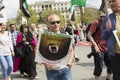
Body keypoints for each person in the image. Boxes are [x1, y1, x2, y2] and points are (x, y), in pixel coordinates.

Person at [43, 14, 74, 80]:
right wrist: (46, 64)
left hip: (65, 70)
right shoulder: (44, 37)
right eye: (53, 23)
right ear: (48, 24)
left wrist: (69, 63)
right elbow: (40, 54)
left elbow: (71, 50)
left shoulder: (65, 34)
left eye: (58, 22)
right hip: (51, 72)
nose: (56, 24)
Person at [87, 14, 112, 80]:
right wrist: (95, 46)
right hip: (98, 48)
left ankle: (108, 78)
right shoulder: (96, 22)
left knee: (111, 65)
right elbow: (89, 35)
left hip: (108, 48)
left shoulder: (111, 22)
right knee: (99, 67)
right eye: (103, 17)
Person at [101, 0, 120, 80]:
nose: (111, 4)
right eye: (110, 2)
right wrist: (107, 30)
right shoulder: (107, 18)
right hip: (115, 55)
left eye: (113, 1)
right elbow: (103, 37)